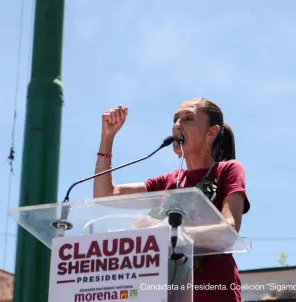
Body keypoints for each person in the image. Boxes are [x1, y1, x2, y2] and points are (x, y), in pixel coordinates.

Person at [93, 98, 250, 302]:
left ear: (211, 133)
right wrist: (107, 137)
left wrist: (164, 231)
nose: (177, 125)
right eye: (175, 119)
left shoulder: (228, 170)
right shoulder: (167, 182)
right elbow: (106, 195)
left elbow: (229, 229)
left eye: (188, 118)